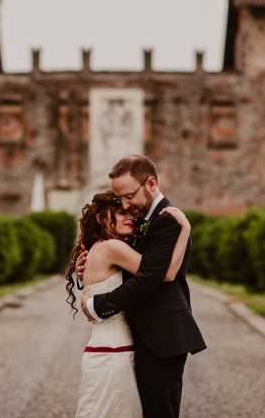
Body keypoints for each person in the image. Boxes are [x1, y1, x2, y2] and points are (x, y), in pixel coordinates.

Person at [79, 155, 206, 417]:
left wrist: (97, 304)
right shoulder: (140, 225)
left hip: (162, 336)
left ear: (150, 183)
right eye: (120, 202)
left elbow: (155, 277)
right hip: (142, 337)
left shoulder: (168, 221)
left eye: (128, 197)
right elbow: (124, 270)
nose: (125, 205)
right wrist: (87, 274)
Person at [65, 190, 192, 418]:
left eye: (129, 212)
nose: (129, 217)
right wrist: (185, 231)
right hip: (114, 352)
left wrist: (81, 278)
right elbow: (163, 273)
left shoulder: (99, 248)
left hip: (103, 350)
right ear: (100, 218)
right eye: (120, 213)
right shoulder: (114, 248)